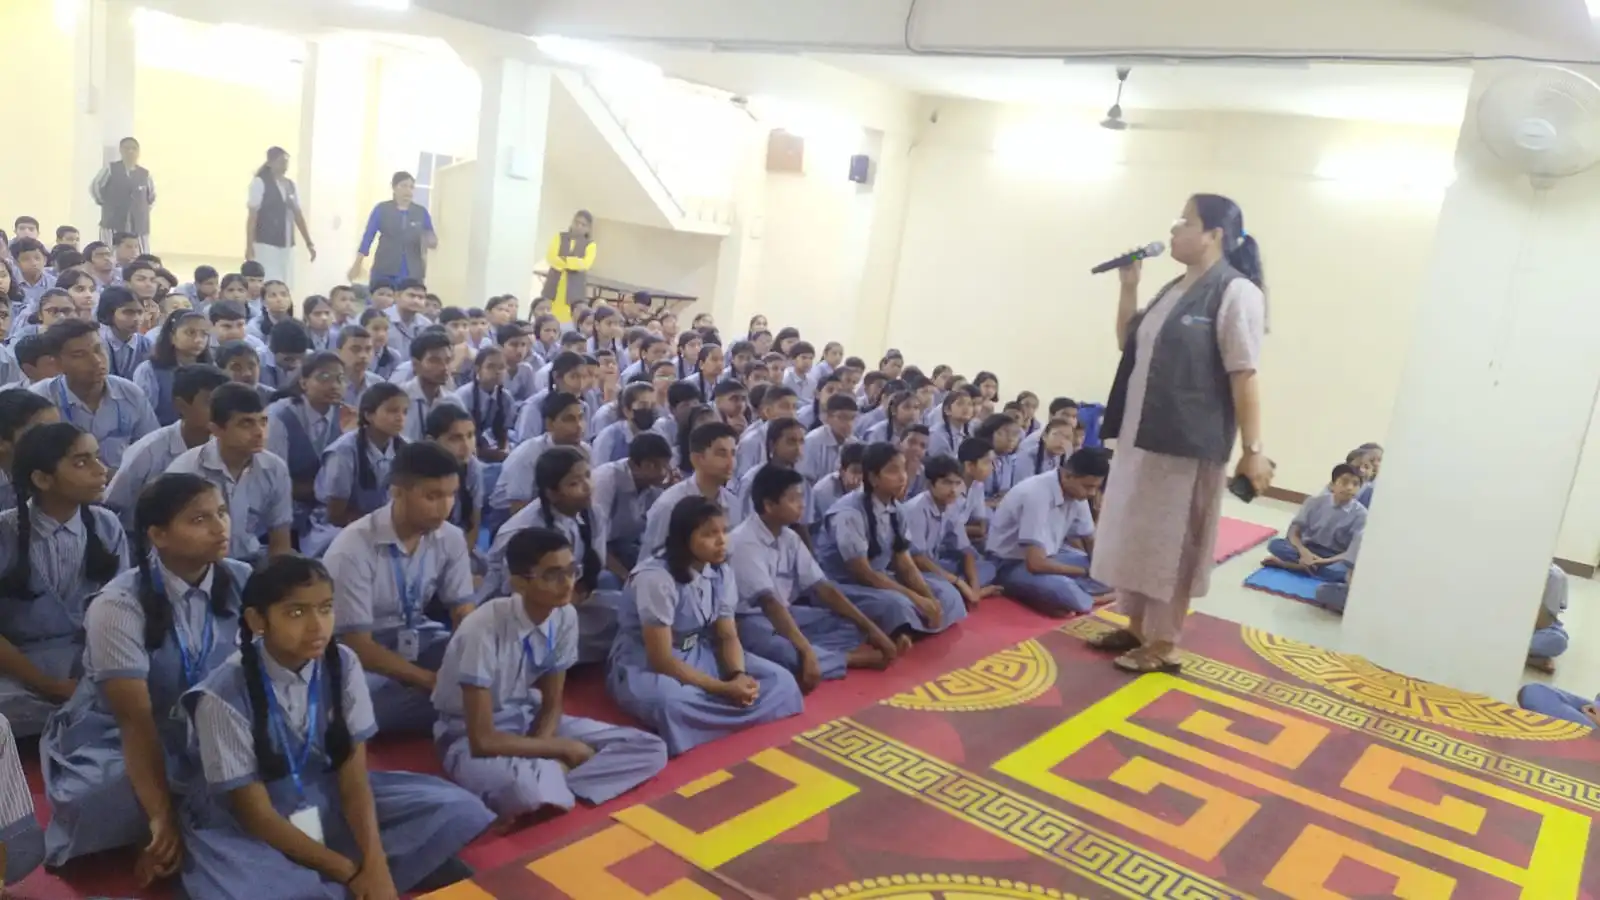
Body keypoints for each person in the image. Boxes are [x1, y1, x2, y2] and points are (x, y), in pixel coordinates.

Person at [178, 556, 491, 899]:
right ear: (257, 620)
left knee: (457, 807)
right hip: (249, 823)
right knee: (260, 891)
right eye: (297, 612)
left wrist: (375, 866)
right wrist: (352, 873)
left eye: (325, 608)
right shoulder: (220, 696)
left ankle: (371, 870)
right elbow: (256, 816)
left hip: (325, 792)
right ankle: (393, 869)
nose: (317, 626)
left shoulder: (342, 661)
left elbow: (354, 779)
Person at [1091, 193, 1270, 673]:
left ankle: (1164, 641)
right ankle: (1136, 626)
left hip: (1187, 443)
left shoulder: (1236, 292)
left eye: (1185, 222)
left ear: (1214, 235)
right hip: (1142, 435)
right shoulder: (1172, 288)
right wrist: (1129, 286)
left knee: (1171, 545)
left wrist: (1253, 449)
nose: (1174, 230)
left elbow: (1244, 374)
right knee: (1137, 534)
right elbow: (1129, 344)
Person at [40, 473, 247, 873]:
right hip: (121, 733)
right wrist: (160, 816)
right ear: (158, 535)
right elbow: (134, 721)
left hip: (218, 725)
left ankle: (193, 822)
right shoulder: (118, 605)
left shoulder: (245, 580)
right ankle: (187, 823)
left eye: (222, 512)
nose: (220, 527)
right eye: (199, 519)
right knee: (94, 799)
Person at [432, 527, 665, 827]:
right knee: (526, 793)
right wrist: (561, 748)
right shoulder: (483, 628)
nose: (567, 583)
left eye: (571, 571)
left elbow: (552, 705)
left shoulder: (564, 615)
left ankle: (551, 781)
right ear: (519, 583)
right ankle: (549, 782)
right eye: (552, 575)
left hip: (526, 715)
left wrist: (543, 751)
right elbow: (483, 740)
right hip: (466, 735)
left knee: (651, 749)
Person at [607, 496, 803, 757]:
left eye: (724, 531)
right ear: (684, 538)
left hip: (699, 651)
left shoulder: (720, 571)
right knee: (672, 703)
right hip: (646, 663)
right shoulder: (656, 579)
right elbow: (661, 660)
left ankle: (708, 719)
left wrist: (737, 675)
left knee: (782, 680)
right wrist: (722, 689)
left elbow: (726, 635)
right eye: (710, 534)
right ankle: (728, 711)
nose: (722, 541)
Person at [322, 442, 477, 735]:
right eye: (432, 496)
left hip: (420, 638)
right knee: (361, 708)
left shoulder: (450, 537)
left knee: (488, 666)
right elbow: (358, 645)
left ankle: (458, 706)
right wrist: (431, 681)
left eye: (451, 495)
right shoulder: (352, 549)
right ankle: (464, 709)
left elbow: (463, 613)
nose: (445, 507)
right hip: (363, 659)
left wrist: (471, 660)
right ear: (397, 491)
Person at [0, 424, 127, 736]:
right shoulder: (5, 532)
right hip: (17, 667)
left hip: (89, 660)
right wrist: (49, 685)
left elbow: (121, 614)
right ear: (42, 479)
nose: (101, 470)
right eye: (82, 462)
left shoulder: (107, 525)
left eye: (97, 457)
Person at [732, 466, 902, 692]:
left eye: (801, 497)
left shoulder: (789, 537)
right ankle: (849, 659)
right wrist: (805, 650)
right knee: (783, 649)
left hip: (788, 614)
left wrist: (872, 630)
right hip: (752, 620)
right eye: (793, 499)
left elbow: (823, 588)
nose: (802, 504)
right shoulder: (743, 542)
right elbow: (770, 604)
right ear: (769, 505)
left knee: (850, 626)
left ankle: (819, 656)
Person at [479, 448, 622, 663]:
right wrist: (566, 603)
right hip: (524, 608)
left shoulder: (593, 514)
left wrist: (575, 595)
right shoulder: (525, 530)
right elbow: (517, 592)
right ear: (552, 493)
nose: (587, 486)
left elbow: (594, 566)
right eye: (574, 483)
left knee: (624, 609)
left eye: (588, 476)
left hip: (566, 594)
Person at [814, 442, 966, 638]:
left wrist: (929, 599)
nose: (902, 477)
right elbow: (864, 574)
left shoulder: (897, 509)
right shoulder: (849, 513)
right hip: (846, 584)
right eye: (893, 471)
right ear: (873, 478)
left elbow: (904, 563)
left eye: (903, 469)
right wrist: (917, 599)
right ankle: (904, 629)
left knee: (947, 594)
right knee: (898, 605)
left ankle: (910, 629)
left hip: (882, 576)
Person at [166, 383, 293, 567]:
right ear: (216, 429)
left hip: (252, 559)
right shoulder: (186, 472)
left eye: (263, 421)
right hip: (200, 563)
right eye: (246, 423)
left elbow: (280, 538)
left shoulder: (274, 468)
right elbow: (175, 542)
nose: (259, 432)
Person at [988, 449, 1112, 617]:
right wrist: (1084, 572)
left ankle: (1067, 596)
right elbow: (1035, 564)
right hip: (1011, 564)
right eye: (1088, 487)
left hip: (1052, 556)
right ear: (1068, 476)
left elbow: (1089, 539)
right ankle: (1088, 598)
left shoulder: (1077, 494)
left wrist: (1099, 568)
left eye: (1096, 488)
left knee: (1109, 573)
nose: (1091, 493)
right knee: (1063, 589)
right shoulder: (1036, 495)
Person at [105, 365, 228, 530]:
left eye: (224, 404)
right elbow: (111, 504)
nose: (220, 412)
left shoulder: (228, 447)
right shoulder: (148, 451)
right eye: (210, 403)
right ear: (182, 406)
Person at [32, 318, 159, 471]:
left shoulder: (130, 393)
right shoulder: (40, 399)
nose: (97, 361)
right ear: (58, 364)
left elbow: (152, 449)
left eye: (99, 349)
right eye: (80, 355)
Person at [305, 382, 408, 557]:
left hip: (386, 524)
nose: (400, 418)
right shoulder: (343, 452)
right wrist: (380, 527)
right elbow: (336, 515)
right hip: (338, 527)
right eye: (392, 411)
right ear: (369, 415)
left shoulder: (406, 447)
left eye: (404, 412)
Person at [266, 352, 346, 548]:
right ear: (303, 383)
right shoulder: (279, 416)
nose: (334, 385)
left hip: (328, 512)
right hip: (288, 514)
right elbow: (276, 485)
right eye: (324, 377)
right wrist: (325, 490)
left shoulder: (346, 415)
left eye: (340, 379)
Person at [902, 455, 993, 611]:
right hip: (914, 569)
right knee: (948, 595)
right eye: (946, 483)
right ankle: (957, 592)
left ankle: (964, 592)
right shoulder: (916, 509)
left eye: (957, 483)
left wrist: (974, 588)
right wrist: (959, 582)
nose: (953, 490)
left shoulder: (951, 505)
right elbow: (917, 559)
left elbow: (965, 549)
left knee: (988, 567)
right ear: (930, 484)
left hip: (935, 564)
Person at [640, 421, 742, 559]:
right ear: (697, 459)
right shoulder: (670, 504)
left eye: (733, 454)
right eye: (721, 454)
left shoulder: (733, 503)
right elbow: (649, 559)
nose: (731, 462)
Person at [490, 392, 591, 528]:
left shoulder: (585, 451)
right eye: (569, 419)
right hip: (509, 515)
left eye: (581, 417)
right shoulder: (528, 453)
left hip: (555, 510)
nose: (579, 425)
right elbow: (517, 506)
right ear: (550, 424)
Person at [1262, 463, 1367, 583]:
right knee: (1275, 544)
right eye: (1344, 482)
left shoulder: (1361, 514)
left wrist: (1323, 561)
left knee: (1348, 573)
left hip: (1334, 556)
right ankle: (1309, 567)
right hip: (1308, 547)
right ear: (1332, 485)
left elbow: (1352, 552)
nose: (1349, 487)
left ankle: (1291, 566)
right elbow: (1294, 531)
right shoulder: (1314, 502)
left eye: (1355, 484)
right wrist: (1303, 551)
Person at [592, 433, 673, 572]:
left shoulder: (658, 485)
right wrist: (625, 576)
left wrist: (670, 493)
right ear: (633, 465)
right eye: (653, 466)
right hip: (602, 548)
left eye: (665, 465)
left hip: (629, 544)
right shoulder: (606, 479)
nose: (662, 472)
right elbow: (595, 540)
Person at [350, 171, 436, 290]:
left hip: (413, 272)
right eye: (403, 186)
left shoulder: (421, 212)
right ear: (394, 187)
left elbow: (432, 239)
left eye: (411, 187)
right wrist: (357, 264)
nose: (408, 191)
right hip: (385, 269)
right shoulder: (382, 209)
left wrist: (431, 241)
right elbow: (368, 237)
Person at [244, 146, 315, 283]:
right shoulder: (260, 182)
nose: (284, 165)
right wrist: (249, 245)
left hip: (287, 243)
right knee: (269, 279)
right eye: (281, 162)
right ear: (270, 163)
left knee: (286, 280)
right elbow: (252, 217)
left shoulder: (291, 185)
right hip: (265, 243)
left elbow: (298, 215)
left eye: (286, 162)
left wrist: (309, 243)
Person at [134, 309, 212, 425]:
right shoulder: (150, 370)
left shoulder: (211, 369)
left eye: (204, 334)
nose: (199, 339)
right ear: (172, 336)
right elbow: (143, 417)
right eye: (191, 332)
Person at [424, 405, 483, 549]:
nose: (466, 446)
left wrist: (461, 556)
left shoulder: (472, 466)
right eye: (455, 439)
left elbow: (474, 524)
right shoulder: (417, 474)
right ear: (431, 441)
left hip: (457, 545)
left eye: (470, 436)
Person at [90, 136, 156, 252]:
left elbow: (151, 197)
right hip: (112, 222)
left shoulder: (145, 174)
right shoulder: (110, 169)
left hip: (138, 225)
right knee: (110, 251)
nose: (130, 151)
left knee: (139, 253)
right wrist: (105, 203)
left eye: (134, 148)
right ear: (121, 151)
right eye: (127, 148)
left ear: (138, 152)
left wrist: (140, 209)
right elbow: (96, 187)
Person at [399, 330, 465, 443]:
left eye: (447, 360)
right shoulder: (400, 398)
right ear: (416, 365)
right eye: (435, 361)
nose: (444, 367)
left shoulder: (453, 401)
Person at [455, 345, 511, 462]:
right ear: (477, 369)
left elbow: (504, 432)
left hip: (492, 448)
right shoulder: (463, 397)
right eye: (491, 367)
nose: (497, 372)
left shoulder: (506, 398)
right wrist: (487, 453)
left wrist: (503, 451)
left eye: (501, 367)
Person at [542, 211, 596, 323]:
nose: (579, 226)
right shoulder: (559, 237)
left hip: (574, 289)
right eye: (577, 222)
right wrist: (573, 262)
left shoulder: (590, 245)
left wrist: (564, 260)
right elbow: (551, 257)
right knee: (548, 317)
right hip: (554, 285)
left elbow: (585, 264)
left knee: (569, 319)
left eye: (583, 225)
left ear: (588, 229)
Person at [97, 285, 153, 380]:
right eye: (128, 312)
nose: (136, 319)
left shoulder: (146, 345)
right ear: (109, 313)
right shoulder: (98, 343)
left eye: (140, 312)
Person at [1529, 563, 1571, 673]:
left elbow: (1543, 623)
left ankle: (1510, 651)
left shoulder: (1554, 576)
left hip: (1532, 627)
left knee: (1558, 640)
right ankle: (1527, 659)